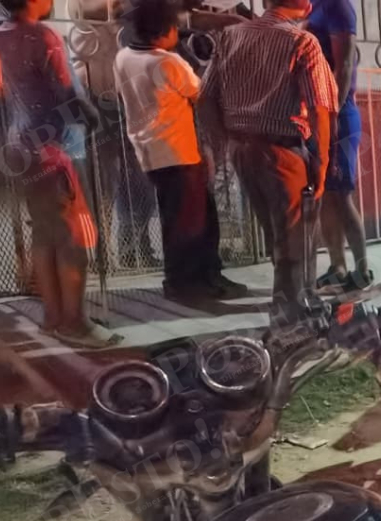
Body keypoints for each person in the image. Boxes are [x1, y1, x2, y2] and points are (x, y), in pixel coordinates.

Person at [199, 0, 337, 310]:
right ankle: (291, 318)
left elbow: (205, 99)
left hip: (242, 149)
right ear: (304, 4)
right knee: (294, 239)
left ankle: (297, 303)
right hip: (282, 151)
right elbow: (319, 109)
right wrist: (322, 163)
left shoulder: (230, 36)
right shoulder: (302, 41)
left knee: (275, 234)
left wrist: (223, 142)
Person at [0, 0, 121, 348]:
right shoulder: (43, 37)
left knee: (43, 232)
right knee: (74, 234)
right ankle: (75, 322)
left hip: (21, 147)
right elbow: (66, 92)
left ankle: (52, 317)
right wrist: (96, 116)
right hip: (59, 149)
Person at [113, 0, 249, 302]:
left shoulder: (123, 58)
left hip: (150, 154)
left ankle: (197, 277)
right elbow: (200, 91)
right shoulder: (168, 63)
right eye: (175, 28)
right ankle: (191, 282)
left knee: (179, 219)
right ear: (162, 32)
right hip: (181, 154)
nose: (179, 34)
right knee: (195, 222)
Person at [70, 0, 158, 271]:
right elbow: (85, 11)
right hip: (95, 93)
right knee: (101, 180)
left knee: (140, 176)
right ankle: (98, 255)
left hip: (128, 92)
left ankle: (134, 248)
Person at [308, 0, 372, 292]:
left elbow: (344, 66)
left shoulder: (338, 6)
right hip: (317, 114)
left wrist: (331, 116)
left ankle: (362, 269)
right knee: (325, 197)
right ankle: (338, 267)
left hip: (338, 116)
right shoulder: (310, 6)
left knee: (343, 197)